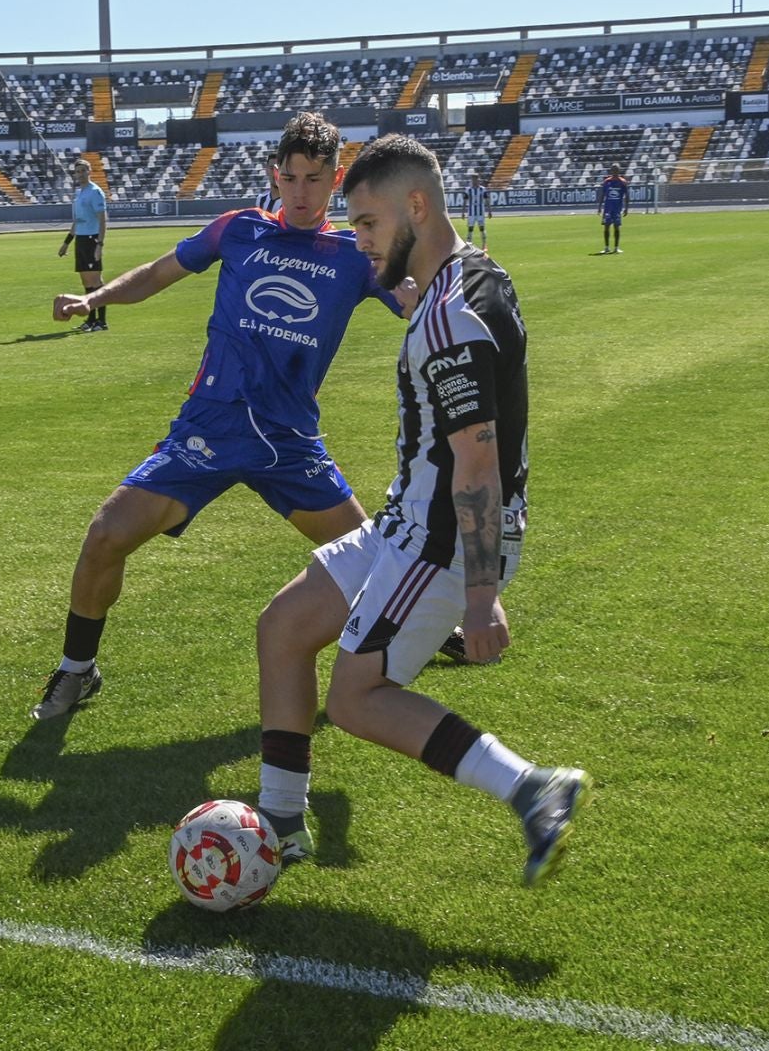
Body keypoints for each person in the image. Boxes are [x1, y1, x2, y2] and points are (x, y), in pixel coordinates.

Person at [252, 133, 585, 885]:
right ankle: (278, 822)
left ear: (416, 206)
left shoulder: (448, 318)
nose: (358, 240)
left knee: (358, 698)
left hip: (439, 539)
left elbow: (476, 461)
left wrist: (480, 594)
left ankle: (533, 787)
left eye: (367, 224)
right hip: (411, 517)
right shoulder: (474, 277)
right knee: (284, 626)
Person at [33, 113, 418, 721]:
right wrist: (94, 298)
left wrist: (436, 294)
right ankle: (77, 669)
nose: (299, 192)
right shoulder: (238, 230)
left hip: (288, 442)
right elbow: (158, 273)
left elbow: (413, 302)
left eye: (314, 180)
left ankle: (416, 634)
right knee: (107, 533)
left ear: (335, 180)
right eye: (290, 178)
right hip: (206, 431)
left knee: (376, 561)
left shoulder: (355, 253)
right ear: (275, 175)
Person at [57, 158, 109, 332]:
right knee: (86, 282)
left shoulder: (95, 192)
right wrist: (66, 243)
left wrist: (99, 245)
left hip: (92, 239)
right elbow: (77, 221)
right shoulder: (80, 193)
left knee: (96, 282)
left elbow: (102, 220)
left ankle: (101, 321)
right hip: (80, 239)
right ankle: (91, 320)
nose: (80, 174)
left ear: (89, 171)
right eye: (77, 172)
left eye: (83, 171)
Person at [598, 165, 629, 253]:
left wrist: (626, 208)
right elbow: (602, 195)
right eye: (613, 169)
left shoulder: (622, 182)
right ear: (611, 170)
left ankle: (616, 248)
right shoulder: (607, 181)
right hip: (608, 208)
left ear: (619, 171)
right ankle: (606, 247)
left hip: (617, 208)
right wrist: (599, 207)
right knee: (606, 227)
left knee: (616, 227)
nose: (615, 171)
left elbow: (626, 195)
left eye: (616, 169)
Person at [462, 173, 490, 253]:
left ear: (478, 179)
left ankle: (484, 245)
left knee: (482, 228)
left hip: (480, 212)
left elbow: (487, 200)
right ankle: (469, 245)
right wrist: (463, 212)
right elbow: (465, 201)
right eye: (473, 179)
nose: (474, 180)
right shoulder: (468, 190)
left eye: (476, 179)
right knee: (470, 229)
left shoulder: (483, 189)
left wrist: (489, 211)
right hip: (471, 212)